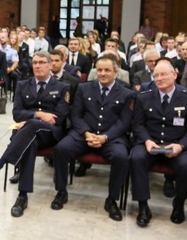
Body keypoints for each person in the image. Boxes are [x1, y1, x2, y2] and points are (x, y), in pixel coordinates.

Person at [0, 51, 71, 217]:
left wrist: (32, 118)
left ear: (50, 65)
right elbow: (16, 113)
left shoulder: (62, 87)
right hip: (30, 135)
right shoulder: (23, 85)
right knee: (30, 142)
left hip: (51, 134)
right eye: (35, 62)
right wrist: (39, 115)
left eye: (42, 62)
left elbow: (59, 117)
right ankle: (22, 196)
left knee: (32, 126)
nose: (37, 66)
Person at [53, 55, 134, 220]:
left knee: (121, 157)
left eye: (107, 70)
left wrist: (105, 137)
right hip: (84, 134)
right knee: (61, 149)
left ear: (115, 71)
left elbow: (124, 122)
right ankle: (61, 191)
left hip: (111, 138)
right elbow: (76, 115)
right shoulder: (84, 88)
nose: (102, 73)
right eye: (99, 70)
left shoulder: (127, 93)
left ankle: (112, 199)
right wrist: (86, 133)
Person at [130, 58, 187, 228]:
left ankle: (180, 202)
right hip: (150, 143)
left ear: (175, 74)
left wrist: (181, 145)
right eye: (156, 75)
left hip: (177, 144)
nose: (159, 78)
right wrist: (146, 140)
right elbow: (138, 125)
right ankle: (143, 205)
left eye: (163, 74)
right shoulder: (144, 98)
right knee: (136, 158)